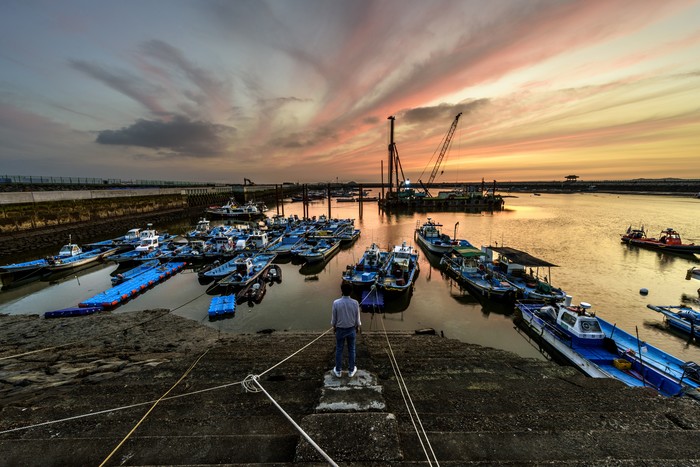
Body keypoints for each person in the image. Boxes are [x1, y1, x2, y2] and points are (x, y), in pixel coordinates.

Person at [331, 282, 361, 377]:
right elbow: (357, 320)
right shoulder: (355, 303)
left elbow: (334, 319)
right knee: (352, 349)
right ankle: (351, 371)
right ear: (351, 291)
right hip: (351, 329)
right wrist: (358, 326)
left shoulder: (336, 303)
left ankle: (338, 370)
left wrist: (334, 327)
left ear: (342, 291)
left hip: (340, 330)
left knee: (339, 349)